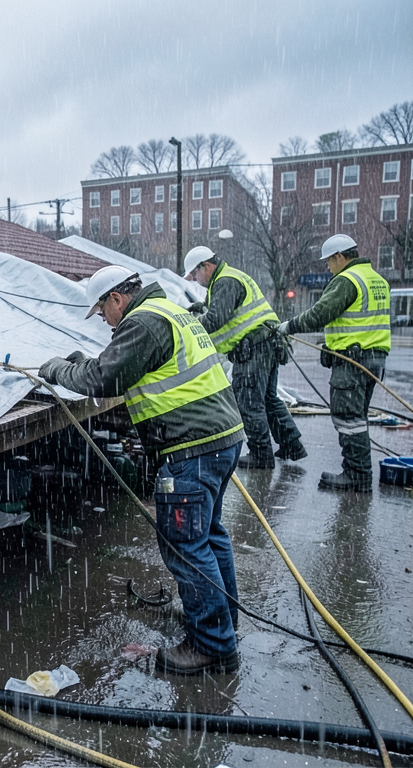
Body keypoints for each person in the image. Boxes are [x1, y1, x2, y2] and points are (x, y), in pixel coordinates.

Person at [40, 265, 244, 675]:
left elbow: (104, 379)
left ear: (116, 298)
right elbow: (122, 365)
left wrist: (56, 370)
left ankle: (212, 646)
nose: (104, 320)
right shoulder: (168, 312)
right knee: (208, 537)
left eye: (102, 311)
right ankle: (222, 621)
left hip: (190, 449)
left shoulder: (143, 322)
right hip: (219, 440)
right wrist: (83, 362)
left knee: (185, 546)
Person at [278, 234, 390, 492]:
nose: (328, 267)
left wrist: (289, 326)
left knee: (348, 419)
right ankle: (358, 472)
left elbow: (320, 314)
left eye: (329, 261)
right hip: (373, 359)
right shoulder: (377, 280)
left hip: (352, 362)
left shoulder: (347, 280)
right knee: (358, 417)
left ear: (340, 256)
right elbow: (361, 322)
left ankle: (357, 475)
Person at [183, 246, 306, 468]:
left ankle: (260, 455)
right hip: (266, 344)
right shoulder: (229, 277)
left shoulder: (225, 281)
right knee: (268, 399)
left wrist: (188, 325)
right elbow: (225, 308)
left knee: (248, 402)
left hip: (253, 348)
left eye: (194, 274)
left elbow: (215, 319)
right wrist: (202, 306)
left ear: (206, 266)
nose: (194, 280)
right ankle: (291, 444)